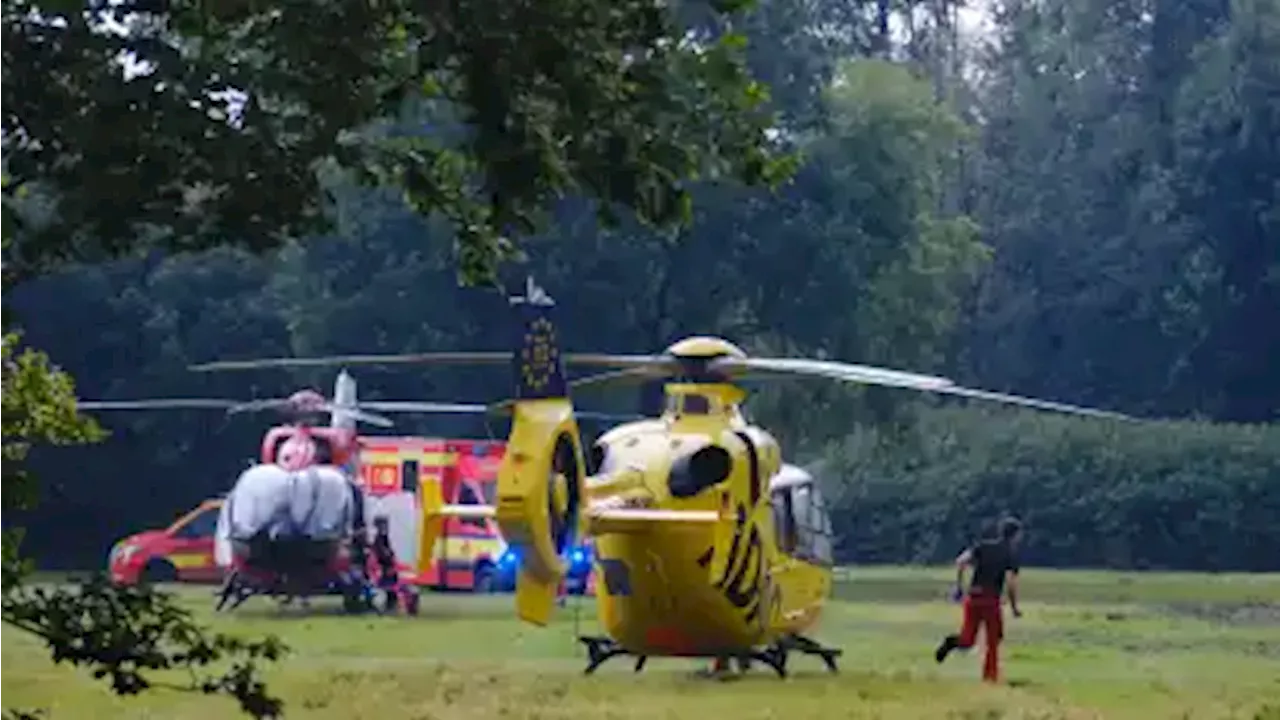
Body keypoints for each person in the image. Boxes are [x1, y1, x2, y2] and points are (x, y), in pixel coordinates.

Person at [934, 515, 1023, 683]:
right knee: (993, 640)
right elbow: (1011, 584)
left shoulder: (983, 546)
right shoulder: (1011, 555)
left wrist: (959, 587)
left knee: (967, 639)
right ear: (1015, 535)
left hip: (973, 597)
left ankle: (951, 643)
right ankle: (990, 678)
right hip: (990, 600)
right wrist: (1014, 608)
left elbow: (960, 562)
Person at [370, 515, 400, 612]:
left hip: (386, 565)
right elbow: (382, 552)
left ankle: (390, 605)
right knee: (387, 588)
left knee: (388, 588)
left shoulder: (382, 537)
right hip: (385, 566)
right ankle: (389, 606)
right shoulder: (380, 538)